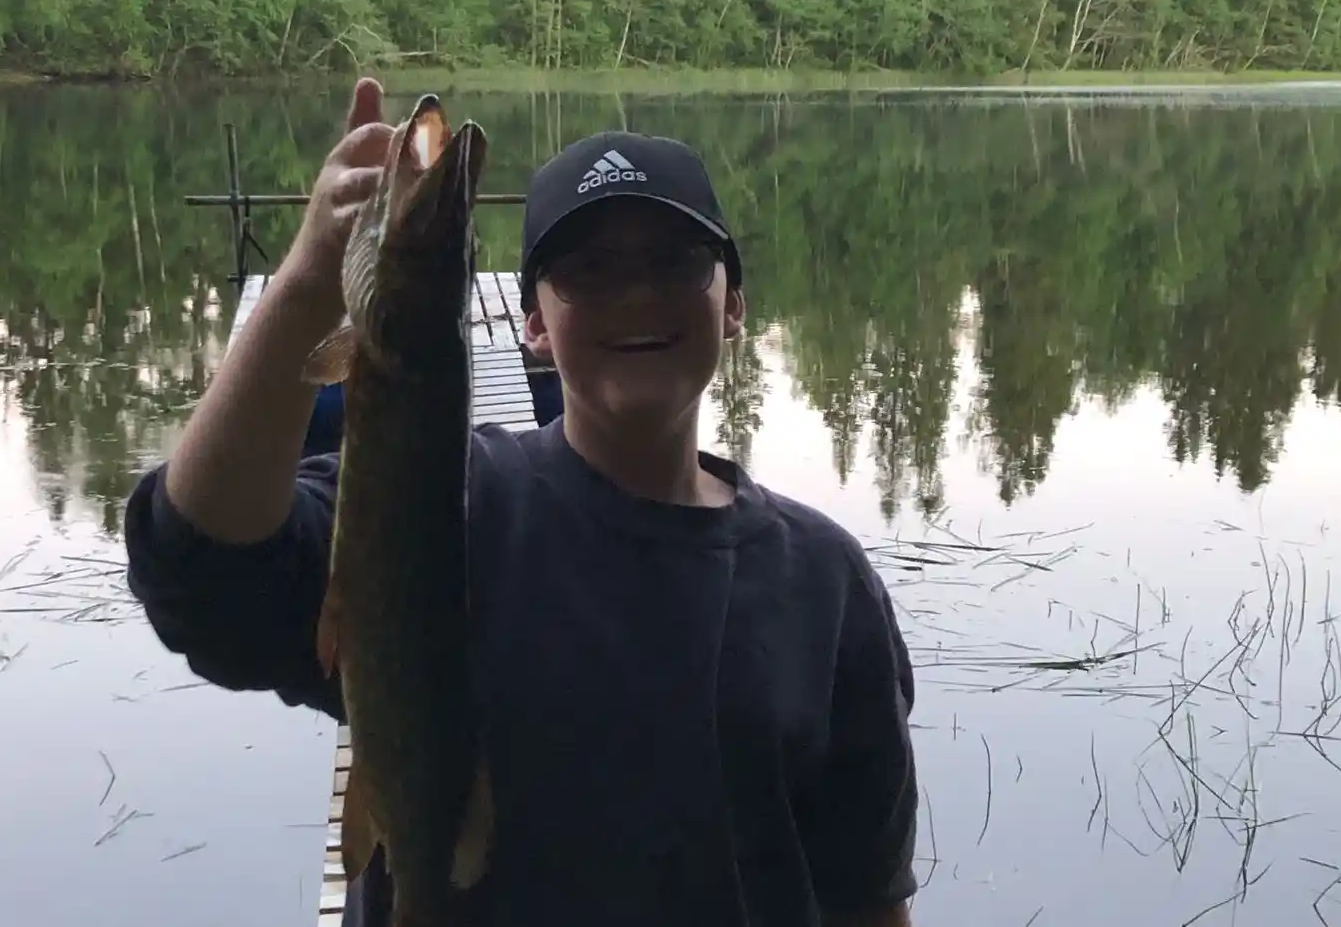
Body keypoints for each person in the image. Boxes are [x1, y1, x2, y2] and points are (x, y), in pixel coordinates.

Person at [125, 78, 920, 927]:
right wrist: (306, 282)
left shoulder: (827, 586)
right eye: (588, 270)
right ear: (530, 324)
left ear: (734, 306)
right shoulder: (455, 505)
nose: (637, 293)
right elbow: (200, 573)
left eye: (675, 261)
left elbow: (866, 893)